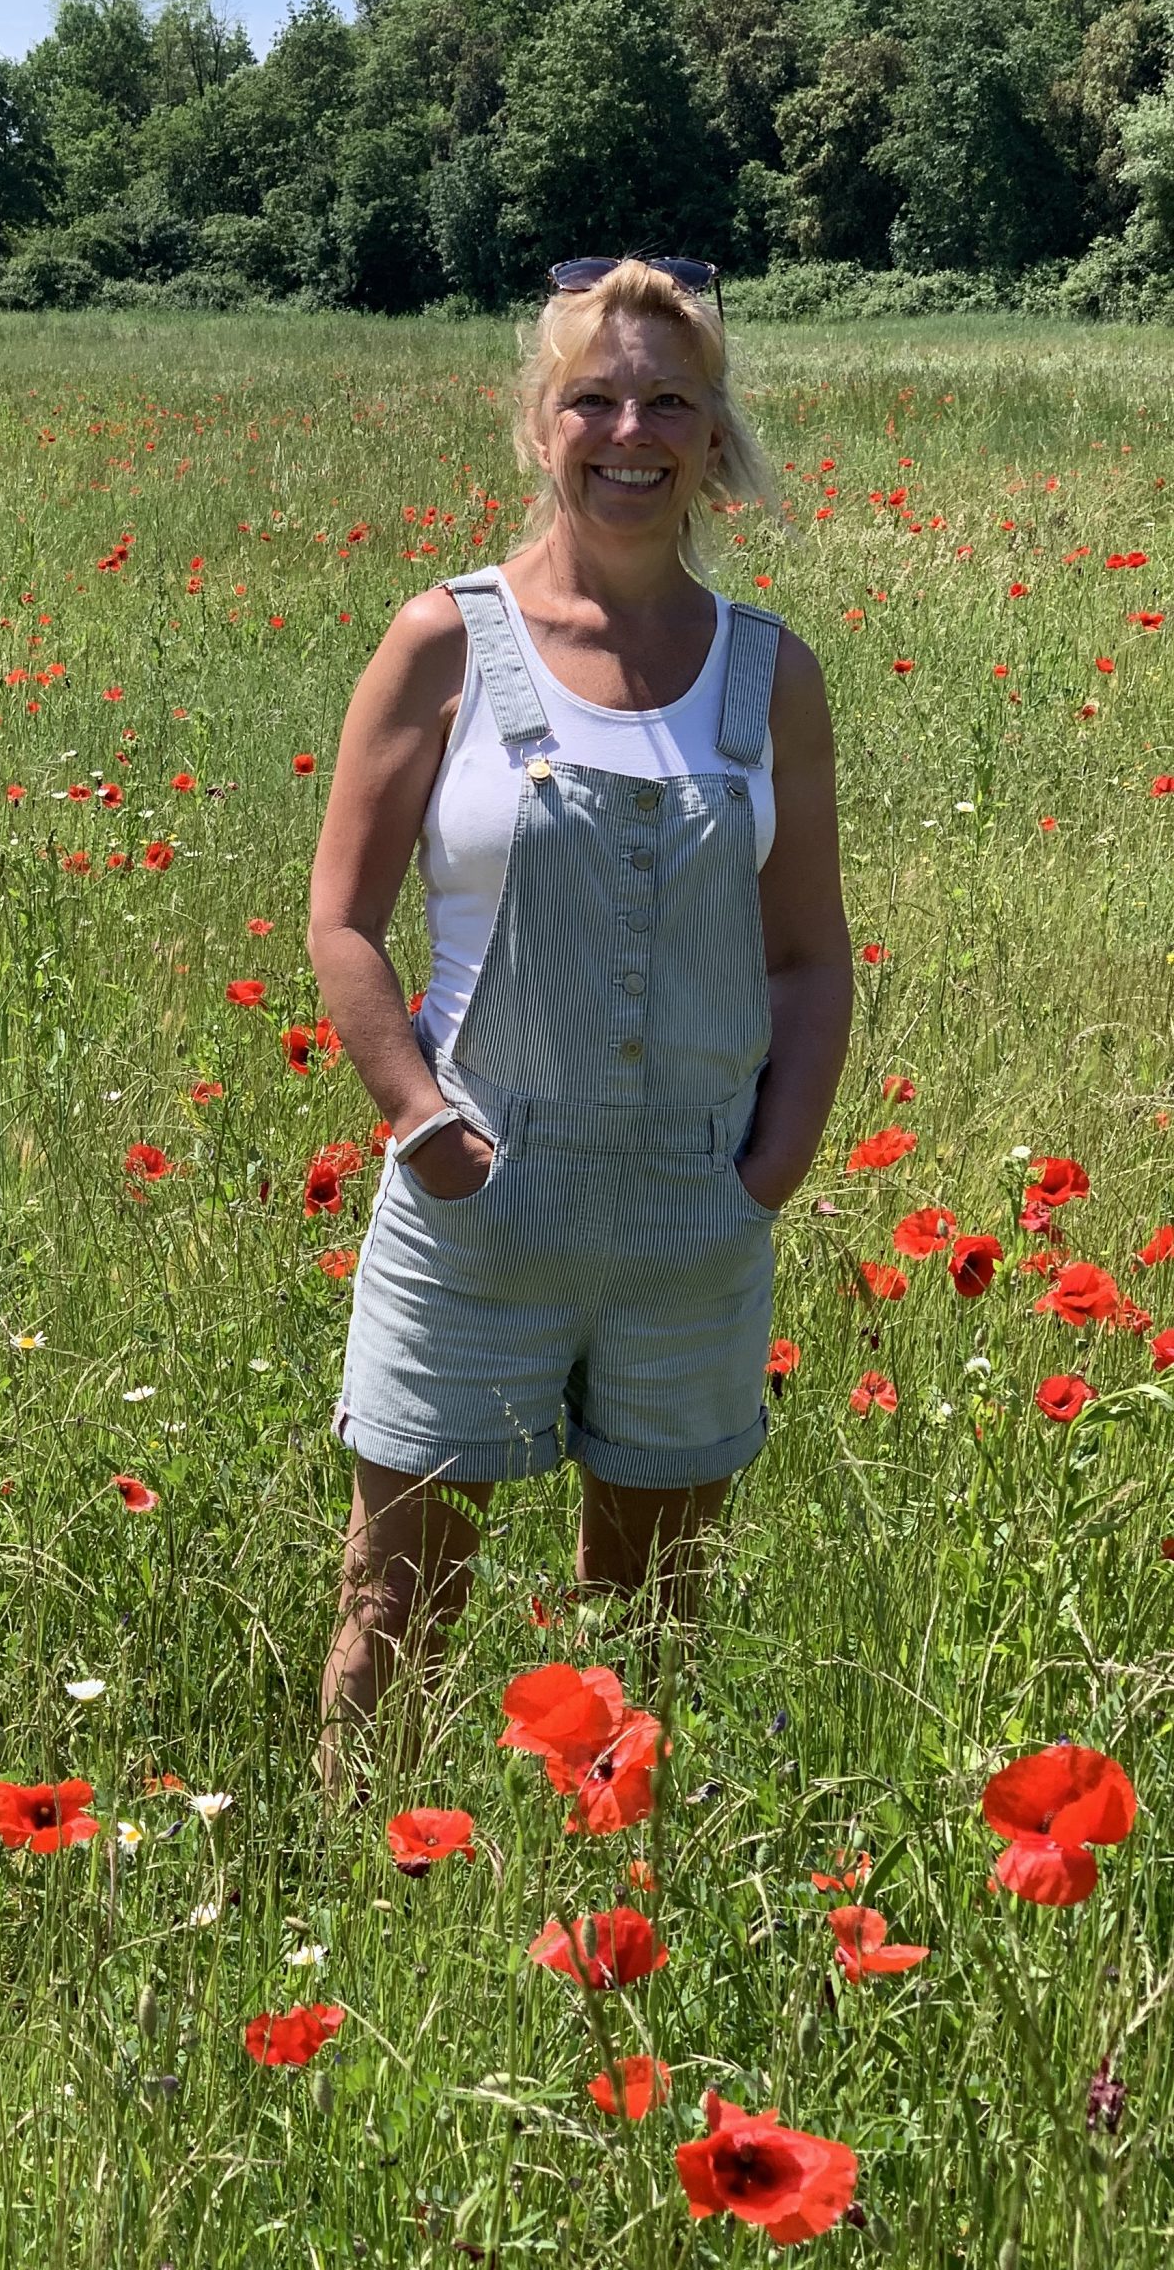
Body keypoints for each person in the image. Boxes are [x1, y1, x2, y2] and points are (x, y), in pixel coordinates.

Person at [307, 255, 852, 1787]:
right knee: (396, 1604)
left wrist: (765, 1175)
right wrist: (424, 1124)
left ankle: (601, 1912)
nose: (633, 428)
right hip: (481, 1195)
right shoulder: (445, 641)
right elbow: (341, 921)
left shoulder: (769, 674)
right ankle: (360, 1882)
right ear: (540, 424)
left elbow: (809, 955)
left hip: (692, 1209)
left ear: (714, 431)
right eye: (595, 397)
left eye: (669, 398)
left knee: (654, 1621)